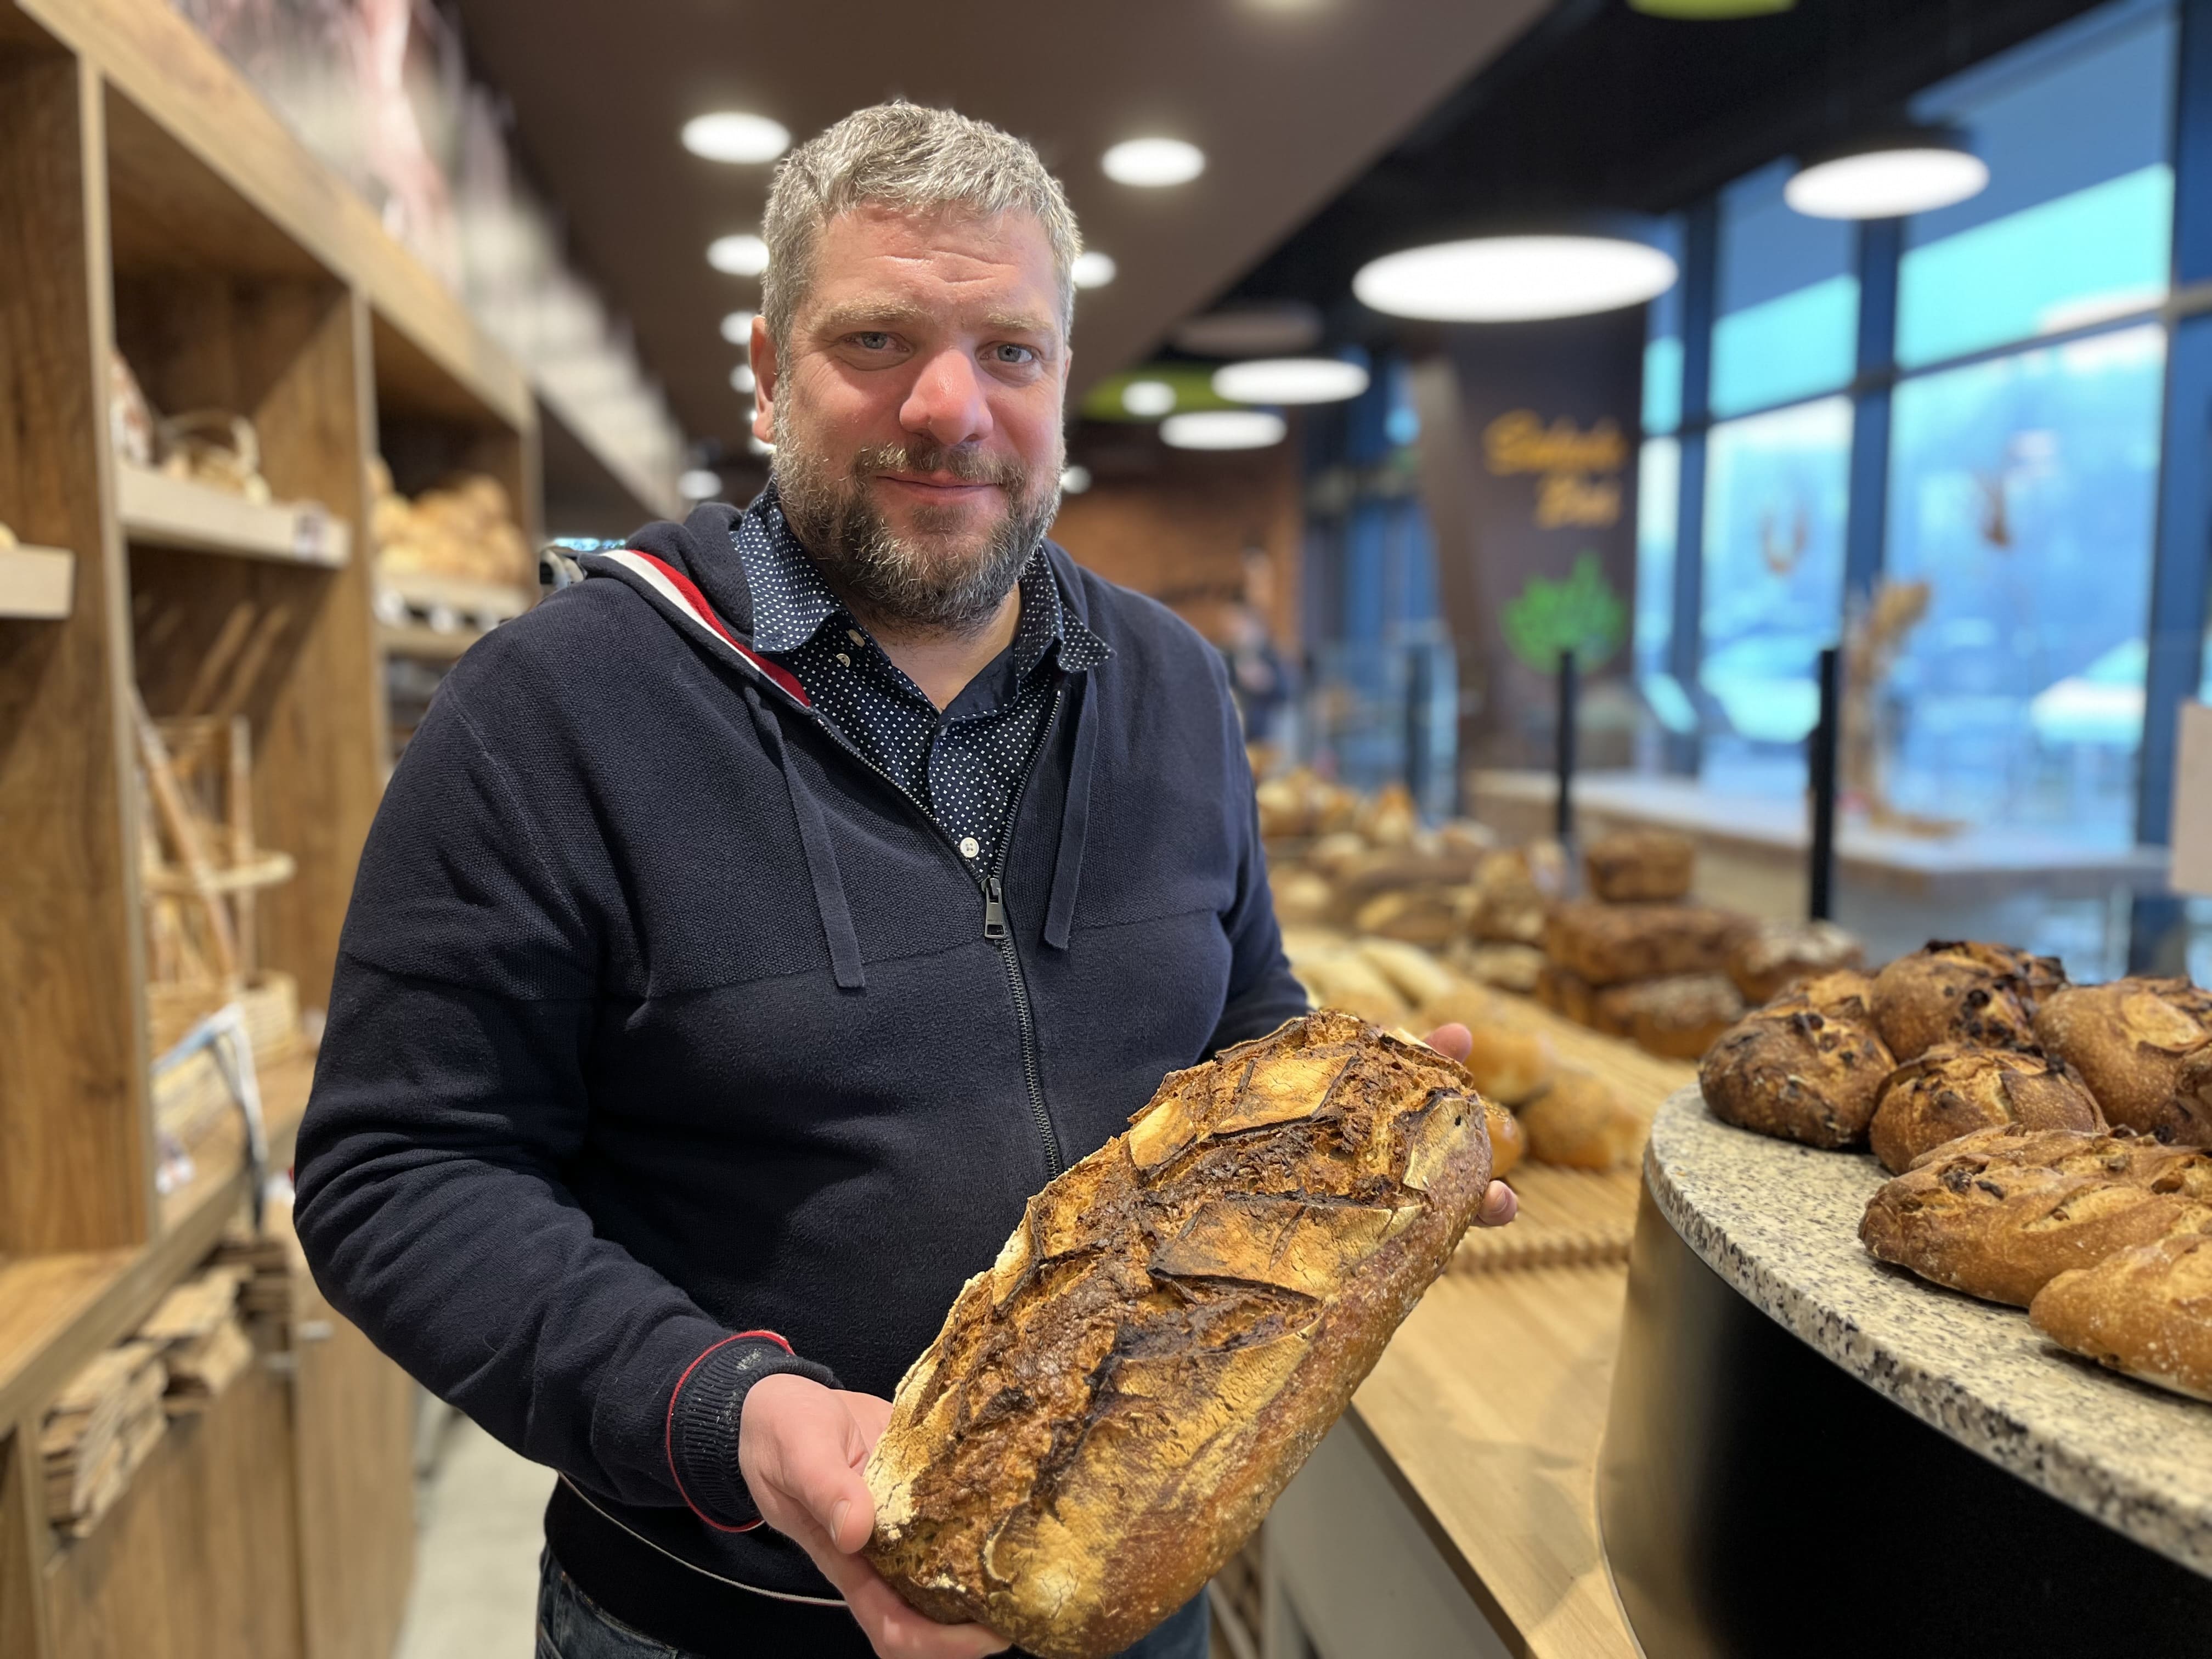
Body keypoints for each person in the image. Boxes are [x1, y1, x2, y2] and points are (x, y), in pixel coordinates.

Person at [294, 101, 1515, 1659]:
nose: (951, 408)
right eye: (876, 342)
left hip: (1130, 1597)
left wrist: (1342, 1135)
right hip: (712, 1622)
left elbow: (1236, 1015)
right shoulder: (553, 710)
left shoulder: (1171, 683)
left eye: (1011, 351)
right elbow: (399, 1170)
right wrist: (727, 1411)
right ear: (766, 372)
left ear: (1062, 377)